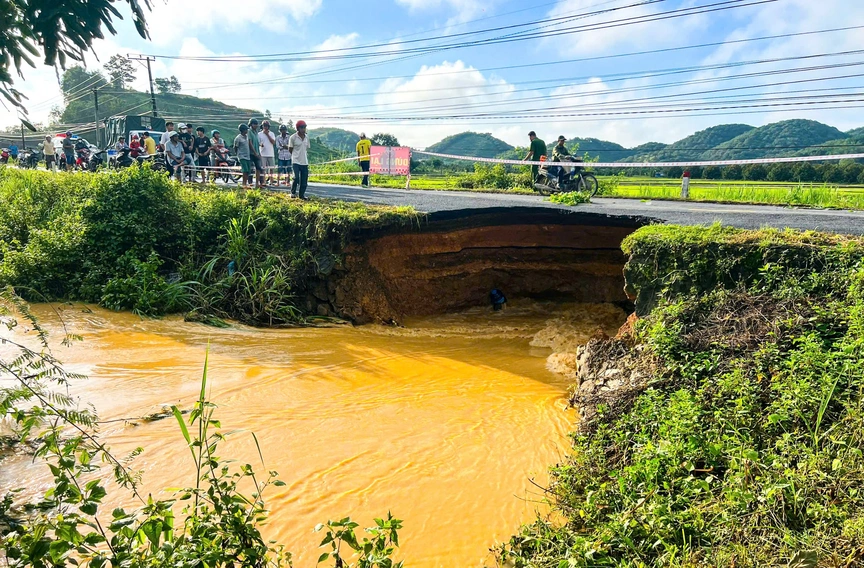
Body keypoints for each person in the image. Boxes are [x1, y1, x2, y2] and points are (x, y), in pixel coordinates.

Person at [289, 120, 311, 199]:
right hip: (296, 161)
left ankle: (301, 195)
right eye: (302, 127)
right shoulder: (293, 137)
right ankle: (293, 192)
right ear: (298, 128)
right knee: (296, 178)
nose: (303, 129)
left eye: (304, 127)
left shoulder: (307, 138)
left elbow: (306, 148)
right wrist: (295, 156)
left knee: (304, 181)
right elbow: (290, 149)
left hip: (304, 161)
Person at [258, 120, 276, 185]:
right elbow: (258, 143)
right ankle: (264, 182)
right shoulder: (259, 134)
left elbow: (273, 142)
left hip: (270, 153)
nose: (266, 127)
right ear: (262, 126)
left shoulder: (272, 133)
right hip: (262, 153)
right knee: (263, 169)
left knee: (271, 168)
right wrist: (260, 145)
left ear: (269, 127)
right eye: (264, 126)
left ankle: (271, 181)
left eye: (267, 126)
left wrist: (267, 134)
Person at [247, 118, 263, 188]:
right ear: (251, 124)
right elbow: (250, 143)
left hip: (257, 152)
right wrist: (254, 152)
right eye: (254, 124)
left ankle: (257, 183)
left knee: (258, 168)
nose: (256, 125)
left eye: (257, 124)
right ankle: (249, 183)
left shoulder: (256, 132)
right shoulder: (249, 131)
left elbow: (256, 142)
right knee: (250, 168)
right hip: (251, 153)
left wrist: (259, 149)